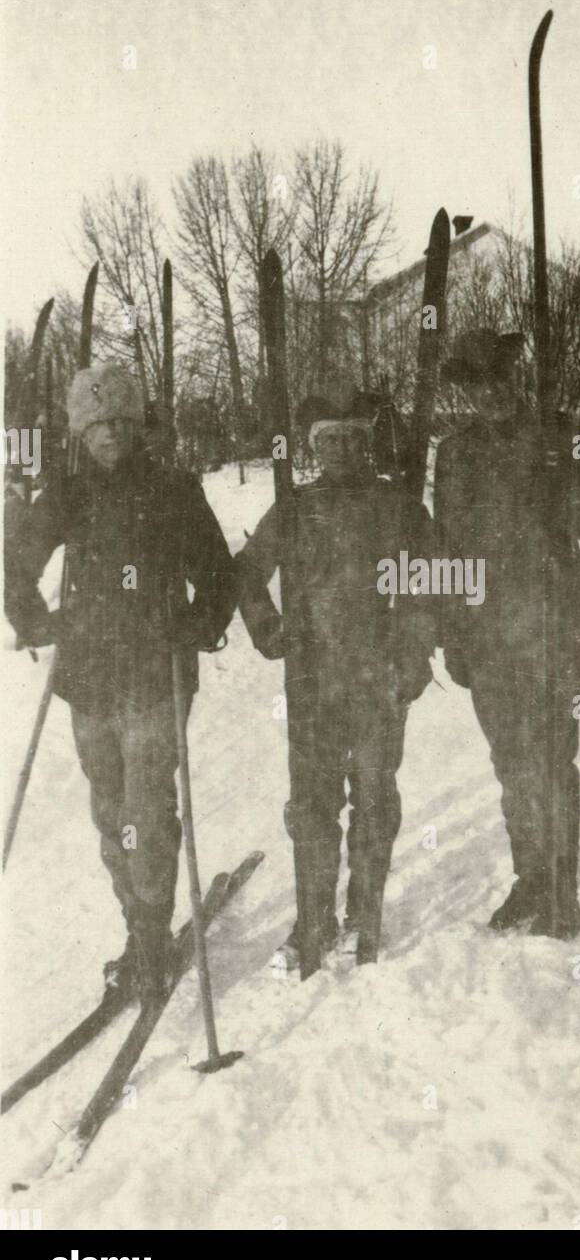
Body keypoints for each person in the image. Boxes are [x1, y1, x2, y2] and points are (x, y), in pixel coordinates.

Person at [4, 363, 235, 1002]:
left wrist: (192, 624)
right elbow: (15, 561)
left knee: (147, 811)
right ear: (81, 432)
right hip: (88, 677)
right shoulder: (67, 496)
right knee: (112, 815)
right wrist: (32, 617)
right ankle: (139, 927)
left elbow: (218, 574)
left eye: (120, 422)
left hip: (155, 677)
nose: (109, 434)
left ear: (137, 426)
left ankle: (153, 940)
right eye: (96, 424)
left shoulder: (173, 490)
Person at [434, 329, 580, 938]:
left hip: (554, 620)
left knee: (551, 758)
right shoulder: (455, 452)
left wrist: (568, 492)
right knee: (510, 762)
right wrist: (453, 633)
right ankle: (531, 878)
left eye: (496, 380)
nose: (487, 394)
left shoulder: (560, 435)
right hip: (487, 628)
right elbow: (446, 545)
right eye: (473, 385)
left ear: (513, 378)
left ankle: (562, 891)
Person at [236, 385, 436, 970]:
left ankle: (363, 917)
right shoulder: (293, 507)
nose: (342, 450)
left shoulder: (398, 506)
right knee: (312, 805)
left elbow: (429, 582)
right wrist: (269, 628)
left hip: (380, 679)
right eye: (329, 440)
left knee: (374, 797)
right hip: (312, 683)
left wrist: (415, 650)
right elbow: (246, 574)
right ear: (313, 448)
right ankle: (313, 919)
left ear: (367, 445)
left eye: (353, 439)